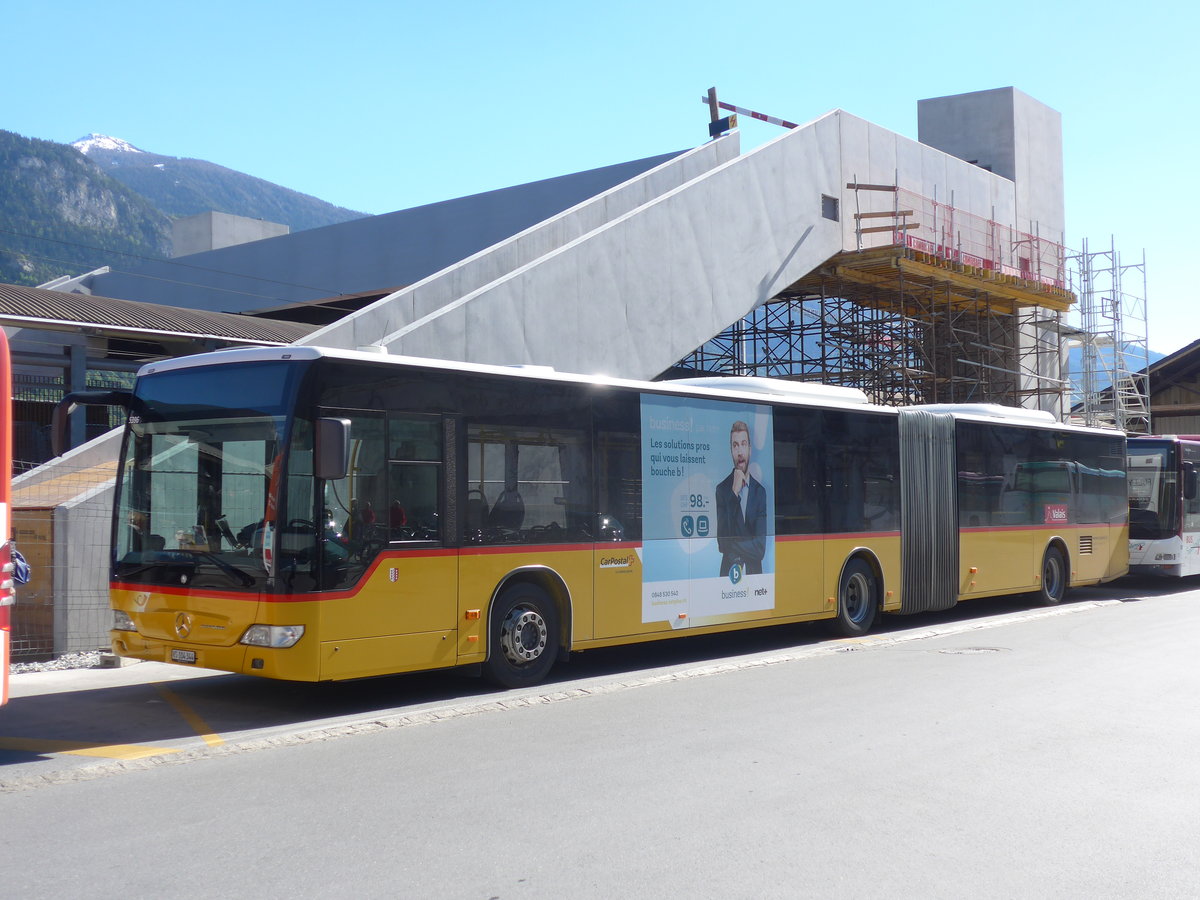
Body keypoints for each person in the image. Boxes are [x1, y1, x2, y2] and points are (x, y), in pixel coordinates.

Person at [715, 420, 767, 577]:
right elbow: (723, 543)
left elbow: (760, 549)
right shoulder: (723, 490)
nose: (739, 451)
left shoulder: (760, 492)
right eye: (735, 445)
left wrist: (733, 544)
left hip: (754, 576)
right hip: (728, 575)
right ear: (731, 450)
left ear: (750, 449)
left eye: (743, 444)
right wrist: (734, 494)